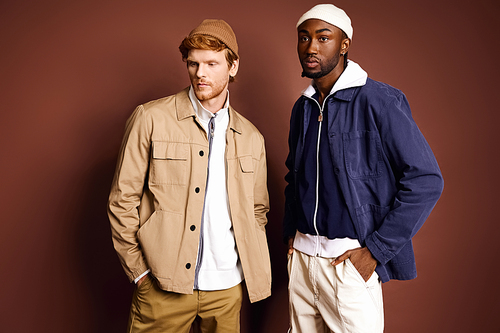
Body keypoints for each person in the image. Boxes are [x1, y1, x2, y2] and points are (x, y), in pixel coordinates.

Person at [283, 4, 444, 332]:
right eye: (304, 37)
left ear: (344, 45)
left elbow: (426, 179)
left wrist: (376, 250)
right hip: (301, 261)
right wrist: (291, 234)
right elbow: (295, 176)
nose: (311, 47)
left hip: (348, 264)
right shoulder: (302, 107)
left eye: (323, 38)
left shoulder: (379, 101)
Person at [107, 19, 271, 333]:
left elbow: (257, 211)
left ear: (232, 67)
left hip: (226, 290)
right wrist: (140, 272)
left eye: (212, 63)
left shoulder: (251, 137)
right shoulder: (151, 118)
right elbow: (121, 201)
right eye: (193, 63)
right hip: (162, 286)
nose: (200, 73)